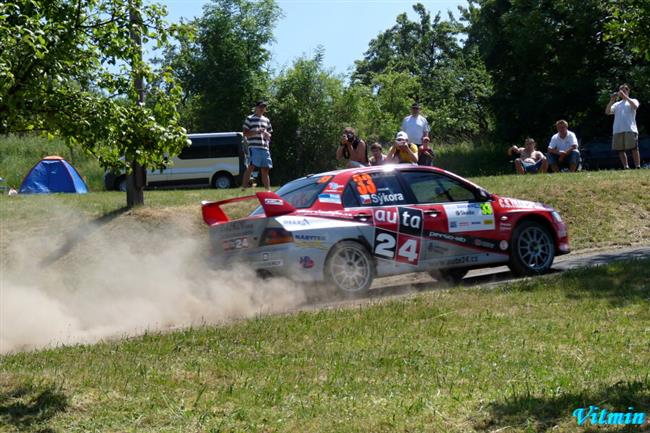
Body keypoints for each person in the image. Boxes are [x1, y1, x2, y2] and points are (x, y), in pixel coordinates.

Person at [605, 83, 641, 169]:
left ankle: (638, 166)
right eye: (621, 90)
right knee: (620, 150)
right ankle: (626, 166)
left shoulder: (633, 100)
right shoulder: (617, 104)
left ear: (628, 90)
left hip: (630, 129)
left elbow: (635, 106)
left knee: (634, 148)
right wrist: (611, 100)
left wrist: (625, 97)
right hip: (617, 130)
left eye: (624, 90)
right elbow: (607, 112)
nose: (622, 91)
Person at [242, 100, 273, 191]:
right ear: (256, 107)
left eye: (264, 107)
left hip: (264, 147)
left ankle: (268, 190)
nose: (262, 108)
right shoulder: (249, 118)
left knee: (265, 169)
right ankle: (244, 187)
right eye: (261, 107)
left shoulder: (266, 120)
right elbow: (245, 133)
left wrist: (267, 134)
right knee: (251, 167)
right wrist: (257, 131)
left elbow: (270, 133)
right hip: (253, 147)